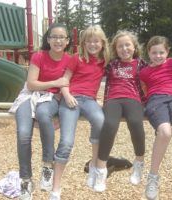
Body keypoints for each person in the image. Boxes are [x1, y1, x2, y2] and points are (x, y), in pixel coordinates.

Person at [9, 23, 71, 200]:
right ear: (48, 39)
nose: (58, 40)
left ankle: (47, 164)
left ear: (67, 41)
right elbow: (31, 84)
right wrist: (55, 83)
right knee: (23, 134)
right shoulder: (39, 56)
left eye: (62, 37)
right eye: (54, 36)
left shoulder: (70, 60)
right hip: (29, 95)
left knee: (44, 115)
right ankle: (26, 180)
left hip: (51, 98)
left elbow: (68, 83)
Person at [49, 25, 110, 200]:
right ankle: (56, 187)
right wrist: (66, 95)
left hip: (89, 100)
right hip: (72, 98)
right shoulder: (77, 58)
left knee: (100, 121)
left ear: (102, 43)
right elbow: (64, 80)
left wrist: (100, 100)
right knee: (67, 141)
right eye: (89, 41)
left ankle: (94, 165)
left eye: (96, 41)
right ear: (83, 43)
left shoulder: (103, 61)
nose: (92, 44)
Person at [94, 30, 146, 192]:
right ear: (115, 49)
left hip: (133, 99)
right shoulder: (111, 64)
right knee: (109, 124)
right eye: (120, 46)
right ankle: (101, 170)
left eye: (127, 45)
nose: (124, 49)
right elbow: (91, 74)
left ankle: (138, 163)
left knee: (136, 123)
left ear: (134, 47)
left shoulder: (140, 64)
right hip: (113, 99)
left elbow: (154, 78)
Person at [139, 36, 172, 200]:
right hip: (155, 100)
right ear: (149, 53)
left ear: (167, 52)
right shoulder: (144, 72)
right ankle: (152, 177)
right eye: (154, 53)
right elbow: (143, 90)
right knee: (164, 132)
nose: (158, 56)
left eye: (161, 52)